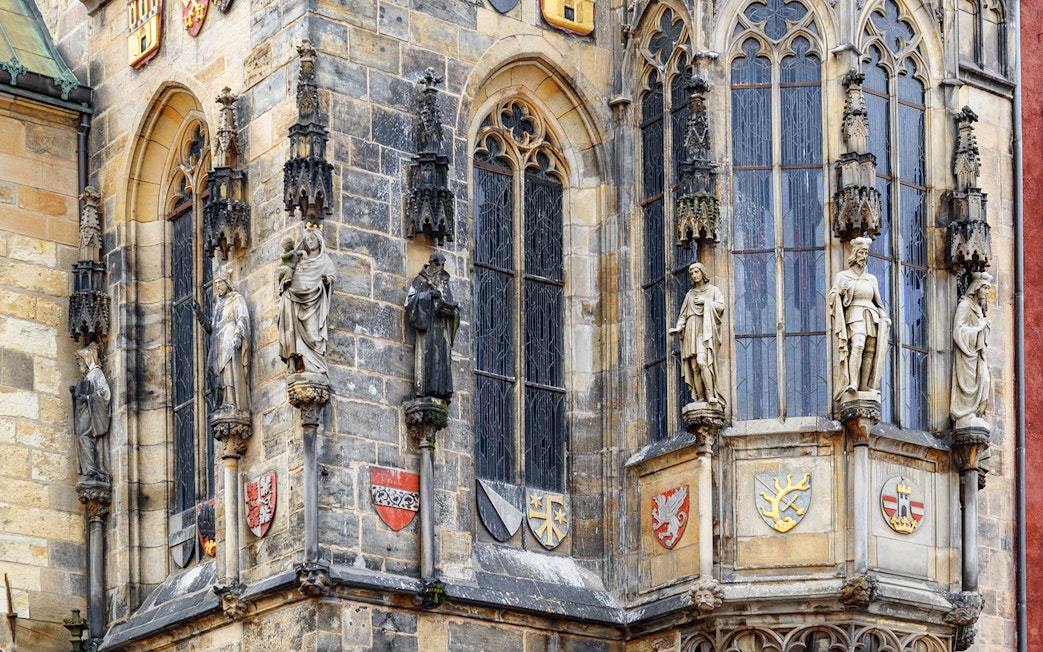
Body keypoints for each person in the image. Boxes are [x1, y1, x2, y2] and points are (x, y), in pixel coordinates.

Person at [828, 236, 891, 400]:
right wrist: (841, 291)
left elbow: (878, 302)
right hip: (854, 315)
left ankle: (864, 385)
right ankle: (852, 383)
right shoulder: (843, 276)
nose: (864, 256)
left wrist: (884, 315)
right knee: (858, 344)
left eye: (866, 253)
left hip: (871, 315)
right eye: (861, 252)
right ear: (855, 254)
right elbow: (832, 296)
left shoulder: (871, 279)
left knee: (869, 349)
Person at [278, 224, 336, 381]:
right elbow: (289, 275)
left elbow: (331, 278)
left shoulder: (325, 261)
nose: (309, 242)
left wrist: (326, 280)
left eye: (312, 239)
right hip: (298, 301)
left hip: (314, 303)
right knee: (298, 336)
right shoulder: (300, 260)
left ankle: (315, 367)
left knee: (312, 333)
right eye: (307, 239)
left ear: (319, 241)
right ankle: (301, 364)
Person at [669, 262, 725, 406]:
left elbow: (720, 306)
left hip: (704, 329)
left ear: (702, 272)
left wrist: (706, 301)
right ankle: (700, 398)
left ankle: (711, 395)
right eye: (691, 273)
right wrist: (678, 327)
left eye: (696, 272)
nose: (694, 275)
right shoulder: (690, 295)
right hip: (690, 330)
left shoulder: (713, 291)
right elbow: (683, 315)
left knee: (702, 361)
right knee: (694, 367)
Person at [406, 252, 460, 400]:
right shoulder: (420, 280)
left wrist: (453, 310)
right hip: (427, 328)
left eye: (442, 265)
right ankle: (425, 391)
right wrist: (429, 296)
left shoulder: (444, 283)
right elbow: (410, 302)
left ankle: (441, 392)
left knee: (441, 358)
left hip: (442, 327)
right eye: (437, 264)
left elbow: (450, 303)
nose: (440, 268)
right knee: (428, 357)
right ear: (430, 263)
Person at [205, 268, 251, 412]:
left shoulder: (236, 299)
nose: (218, 286)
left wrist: (238, 335)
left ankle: (232, 401)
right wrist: (200, 315)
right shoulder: (219, 306)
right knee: (213, 371)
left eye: (220, 283)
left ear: (227, 283)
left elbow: (242, 318)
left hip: (229, 338)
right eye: (216, 283)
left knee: (229, 370)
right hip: (218, 343)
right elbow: (211, 327)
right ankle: (222, 401)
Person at [951, 272, 992, 429]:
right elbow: (958, 330)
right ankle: (965, 414)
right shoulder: (965, 305)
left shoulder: (978, 309)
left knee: (985, 380)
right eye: (986, 288)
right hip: (966, 355)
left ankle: (976, 414)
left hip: (977, 354)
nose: (987, 292)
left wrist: (983, 329)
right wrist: (978, 329)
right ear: (977, 288)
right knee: (970, 383)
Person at [73, 345, 110, 480]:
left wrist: (87, 398)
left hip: (92, 411)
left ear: (86, 359)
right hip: (86, 411)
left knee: (84, 436)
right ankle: (89, 468)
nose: (79, 365)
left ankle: (91, 468)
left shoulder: (96, 373)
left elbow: (104, 393)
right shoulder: (89, 375)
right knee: (82, 436)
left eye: (80, 362)